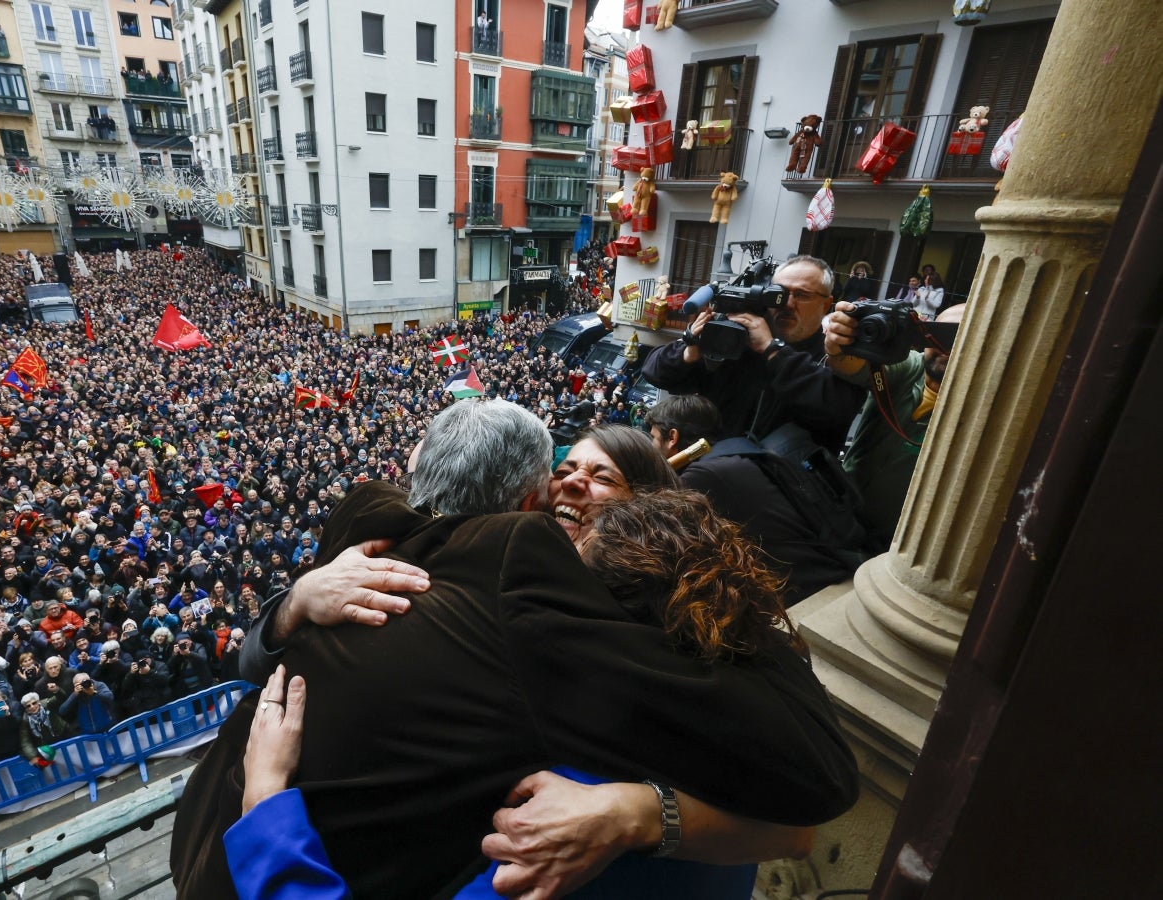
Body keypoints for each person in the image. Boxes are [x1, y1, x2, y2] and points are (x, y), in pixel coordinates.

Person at [172, 402, 856, 898]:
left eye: (604, 482)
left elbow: (796, 819)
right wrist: (293, 605)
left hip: (218, 843)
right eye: (566, 473)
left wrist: (636, 814)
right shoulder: (443, 567)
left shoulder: (390, 530)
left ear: (652, 518)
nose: (574, 487)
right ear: (532, 501)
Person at [645, 395, 859, 604]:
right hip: (827, 572)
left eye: (654, 438)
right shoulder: (735, 452)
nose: (652, 445)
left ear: (672, 437)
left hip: (805, 594)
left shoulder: (704, 475)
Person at [640, 254, 865, 452]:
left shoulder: (836, 355)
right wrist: (689, 352)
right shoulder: (738, 337)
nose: (788, 303)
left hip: (784, 489)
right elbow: (654, 372)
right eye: (780, 293)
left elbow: (837, 408)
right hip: (714, 474)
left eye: (802, 295)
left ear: (826, 304)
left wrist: (772, 350)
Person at [822, 301, 966, 552]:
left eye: (960, 337)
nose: (945, 347)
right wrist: (840, 340)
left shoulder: (984, 406)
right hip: (839, 512)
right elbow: (847, 363)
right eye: (939, 334)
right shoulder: (909, 365)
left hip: (897, 544)